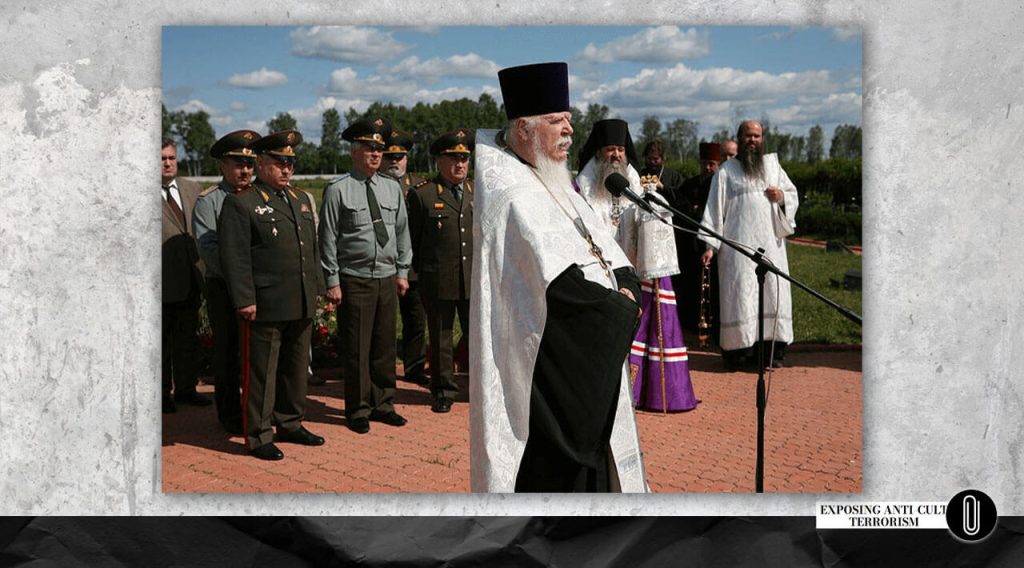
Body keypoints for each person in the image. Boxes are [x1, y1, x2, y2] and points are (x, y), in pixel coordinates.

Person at [471, 62, 647, 493]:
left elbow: (607, 248)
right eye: (557, 122)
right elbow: (556, 287)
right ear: (525, 129)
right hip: (548, 372)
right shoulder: (511, 192)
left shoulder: (554, 179)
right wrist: (618, 307)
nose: (569, 131)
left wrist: (626, 283)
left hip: (587, 361)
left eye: (570, 120)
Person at [574, 119, 698, 414]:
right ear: (599, 152)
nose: (615, 155)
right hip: (596, 273)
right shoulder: (582, 187)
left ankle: (637, 391)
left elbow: (650, 220)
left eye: (619, 149)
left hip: (632, 274)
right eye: (609, 149)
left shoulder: (636, 183)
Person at [219, 130, 326, 460]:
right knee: (262, 373)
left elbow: (311, 248)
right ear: (261, 163)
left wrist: (319, 289)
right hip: (265, 303)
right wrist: (244, 298)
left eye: (291, 163)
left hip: (301, 298)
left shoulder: (298, 199)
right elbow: (234, 257)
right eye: (280, 162)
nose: (286, 169)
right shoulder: (241, 202)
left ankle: (291, 423)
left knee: (295, 369)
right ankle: (258, 434)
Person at [319, 117, 412, 435]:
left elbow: (402, 233)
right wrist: (332, 280)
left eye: (379, 149)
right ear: (354, 151)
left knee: (385, 346)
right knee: (357, 348)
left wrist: (402, 271)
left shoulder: (392, 188)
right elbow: (328, 238)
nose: (376, 155)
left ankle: (384, 404)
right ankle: (358, 409)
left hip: (386, 277)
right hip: (354, 278)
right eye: (369, 149)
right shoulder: (338, 190)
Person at [700, 120, 799, 370]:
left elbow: (792, 194)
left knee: (771, 294)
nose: (752, 140)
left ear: (762, 139)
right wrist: (710, 246)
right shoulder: (726, 172)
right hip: (737, 249)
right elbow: (714, 210)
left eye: (756, 136)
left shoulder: (773, 168)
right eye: (748, 136)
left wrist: (782, 197)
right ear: (740, 138)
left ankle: (769, 354)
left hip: (771, 246)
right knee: (740, 296)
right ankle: (738, 354)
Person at [192, 129, 260, 434]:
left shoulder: (261, 197)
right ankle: (231, 413)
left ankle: (258, 411)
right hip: (225, 287)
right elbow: (210, 250)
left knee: (258, 353)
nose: (244, 171)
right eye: (237, 164)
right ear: (222, 166)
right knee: (229, 353)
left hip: (260, 287)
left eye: (249, 165)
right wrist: (243, 275)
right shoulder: (209, 201)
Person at [407, 128, 474, 414]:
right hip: (438, 277)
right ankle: (443, 390)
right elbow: (413, 239)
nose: (460, 164)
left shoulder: (477, 192)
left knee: (477, 336)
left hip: (472, 278)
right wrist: (416, 276)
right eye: (453, 159)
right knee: (441, 336)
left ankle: (477, 388)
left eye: (464, 158)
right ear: (439, 161)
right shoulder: (422, 195)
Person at [161, 139, 211, 414]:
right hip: (162, 280)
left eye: (171, 158)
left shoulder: (192, 189)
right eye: (161, 158)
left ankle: (186, 388)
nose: (167, 163)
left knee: (187, 337)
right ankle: (161, 394)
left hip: (192, 276)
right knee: (161, 342)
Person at [379, 128, 429, 386]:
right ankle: (381, 368)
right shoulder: (373, 185)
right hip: (383, 266)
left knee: (415, 319)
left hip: (413, 265)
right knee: (383, 324)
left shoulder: (420, 186)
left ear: (407, 158)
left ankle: (414, 366)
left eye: (399, 156)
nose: (394, 161)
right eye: (389, 156)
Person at [673, 142, 722, 339]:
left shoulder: (721, 184)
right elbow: (680, 207)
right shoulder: (690, 184)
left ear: (718, 165)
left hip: (713, 245)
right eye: (704, 164)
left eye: (711, 164)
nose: (708, 168)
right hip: (690, 245)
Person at [638, 139, 686, 207]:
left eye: (655, 159)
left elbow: (683, 196)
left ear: (662, 158)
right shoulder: (639, 174)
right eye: (649, 159)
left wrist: (663, 187)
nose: (652, 162)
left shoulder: (673, 176)